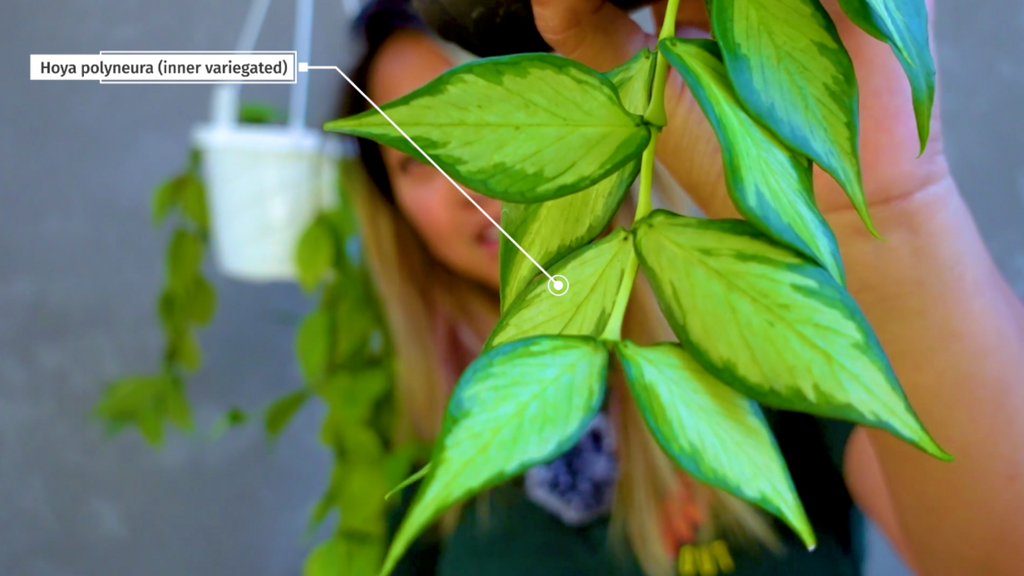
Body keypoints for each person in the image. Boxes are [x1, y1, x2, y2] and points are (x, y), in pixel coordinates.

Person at [338, 1, 1024, 575]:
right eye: (414, 160)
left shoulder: (765, 334)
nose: (472, 179)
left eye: (503, 109)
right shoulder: (433, 466)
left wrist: (892, 223)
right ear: (394, 212)